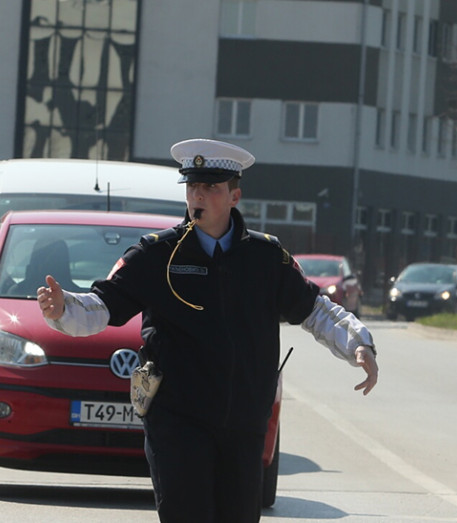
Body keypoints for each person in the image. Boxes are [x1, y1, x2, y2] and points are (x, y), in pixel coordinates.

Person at [36, 138, 378, 522]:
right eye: (192, 187)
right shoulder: (156, 254)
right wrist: (63, 307)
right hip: (177, 422)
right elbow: (104, 305)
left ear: (234, 196)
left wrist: (358, 344)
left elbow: (315, 309)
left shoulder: (266, 258)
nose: (198, 196)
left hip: (244, 424)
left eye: (210, 188)